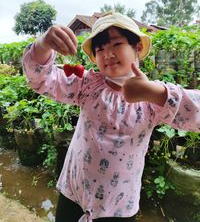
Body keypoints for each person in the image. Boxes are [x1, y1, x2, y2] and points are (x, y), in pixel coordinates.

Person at [22, 11, 200, 222]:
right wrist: (43, 45)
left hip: (117, 207)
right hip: (74, 192)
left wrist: (154, 93)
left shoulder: (154, 97)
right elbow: (41, 79)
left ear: (138, 47)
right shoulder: (87, 85)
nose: (107, 54)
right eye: (100, 48)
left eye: (116, 44)